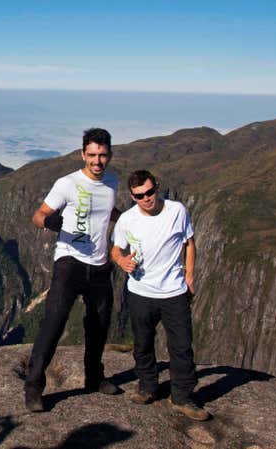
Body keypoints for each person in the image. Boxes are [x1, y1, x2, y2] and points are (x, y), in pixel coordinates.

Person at [23, 128, 121, 412]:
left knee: (99, 324)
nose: (97, 161)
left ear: (109, 156)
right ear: (83, 154)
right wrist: (51, 223)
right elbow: (38, 215)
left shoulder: (113, 183)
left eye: (102, 155)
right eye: (92, 155)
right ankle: (33, 387)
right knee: (53, 322)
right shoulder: (66, 184)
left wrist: (132, 219)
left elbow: (110, 212)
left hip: (100, 265)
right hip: (69, 262)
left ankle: (94, 377)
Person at [111, 170, 209, 421]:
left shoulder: (177, 211)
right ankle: (147, 388)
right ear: (132, 196)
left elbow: (189, 243)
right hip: (140, 292)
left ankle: (183, 397)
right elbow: (115, 250)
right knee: (143, 344)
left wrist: (189, 276)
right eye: (139, 195)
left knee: (181, 346)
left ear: (157, 187)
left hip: (174, 292)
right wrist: (122, 261)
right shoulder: (127, 220)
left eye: (149, 192)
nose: (146, 198)